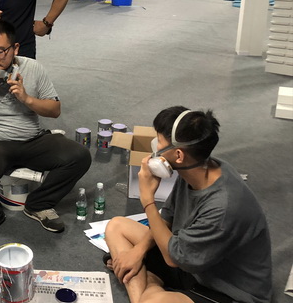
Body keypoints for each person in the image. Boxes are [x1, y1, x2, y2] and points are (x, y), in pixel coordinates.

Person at [104, 107, 272, 303]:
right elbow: (166, 218)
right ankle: (151, 288)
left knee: (153, 299)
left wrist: (147, 199)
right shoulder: (195, 170)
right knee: (116, 226)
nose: (154, 147)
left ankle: (150, 287)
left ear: (178, 155)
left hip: (226, 290)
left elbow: (172, 258)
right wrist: (138, 251)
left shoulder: (223, 207)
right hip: (191, 261)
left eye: (159, 141)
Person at [0, 19, 91, 237]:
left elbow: (54, 110)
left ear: (15, 48)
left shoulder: (33, 68)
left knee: (79, 156)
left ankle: (39, 204)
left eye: (0, 51)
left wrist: (26, 98)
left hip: (33, 139)